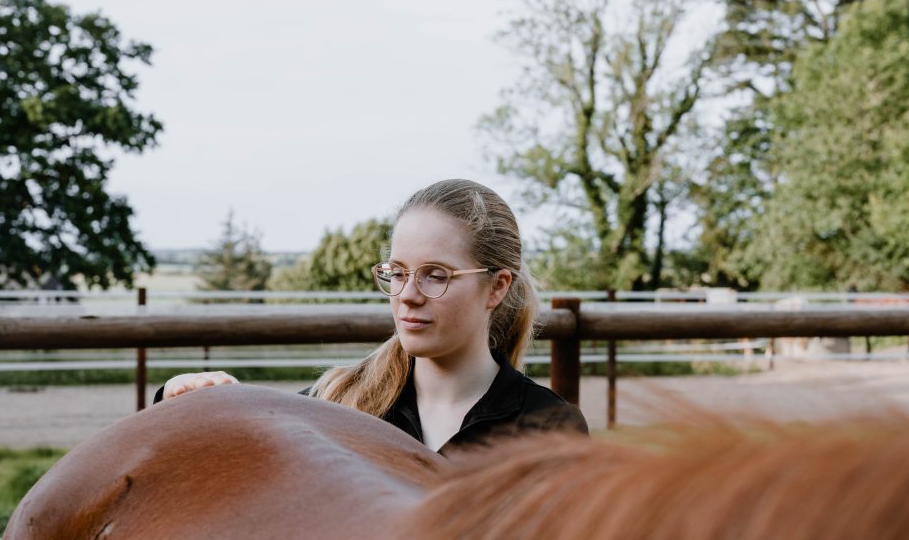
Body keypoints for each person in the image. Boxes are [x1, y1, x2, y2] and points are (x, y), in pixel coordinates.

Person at [155, 179, 588, 453]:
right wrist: (182, 399)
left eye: (435, 275)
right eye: (396, 274)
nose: (407, 296)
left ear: (497, 287)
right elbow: (236, 457)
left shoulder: (547, 428)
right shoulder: (338, 403)